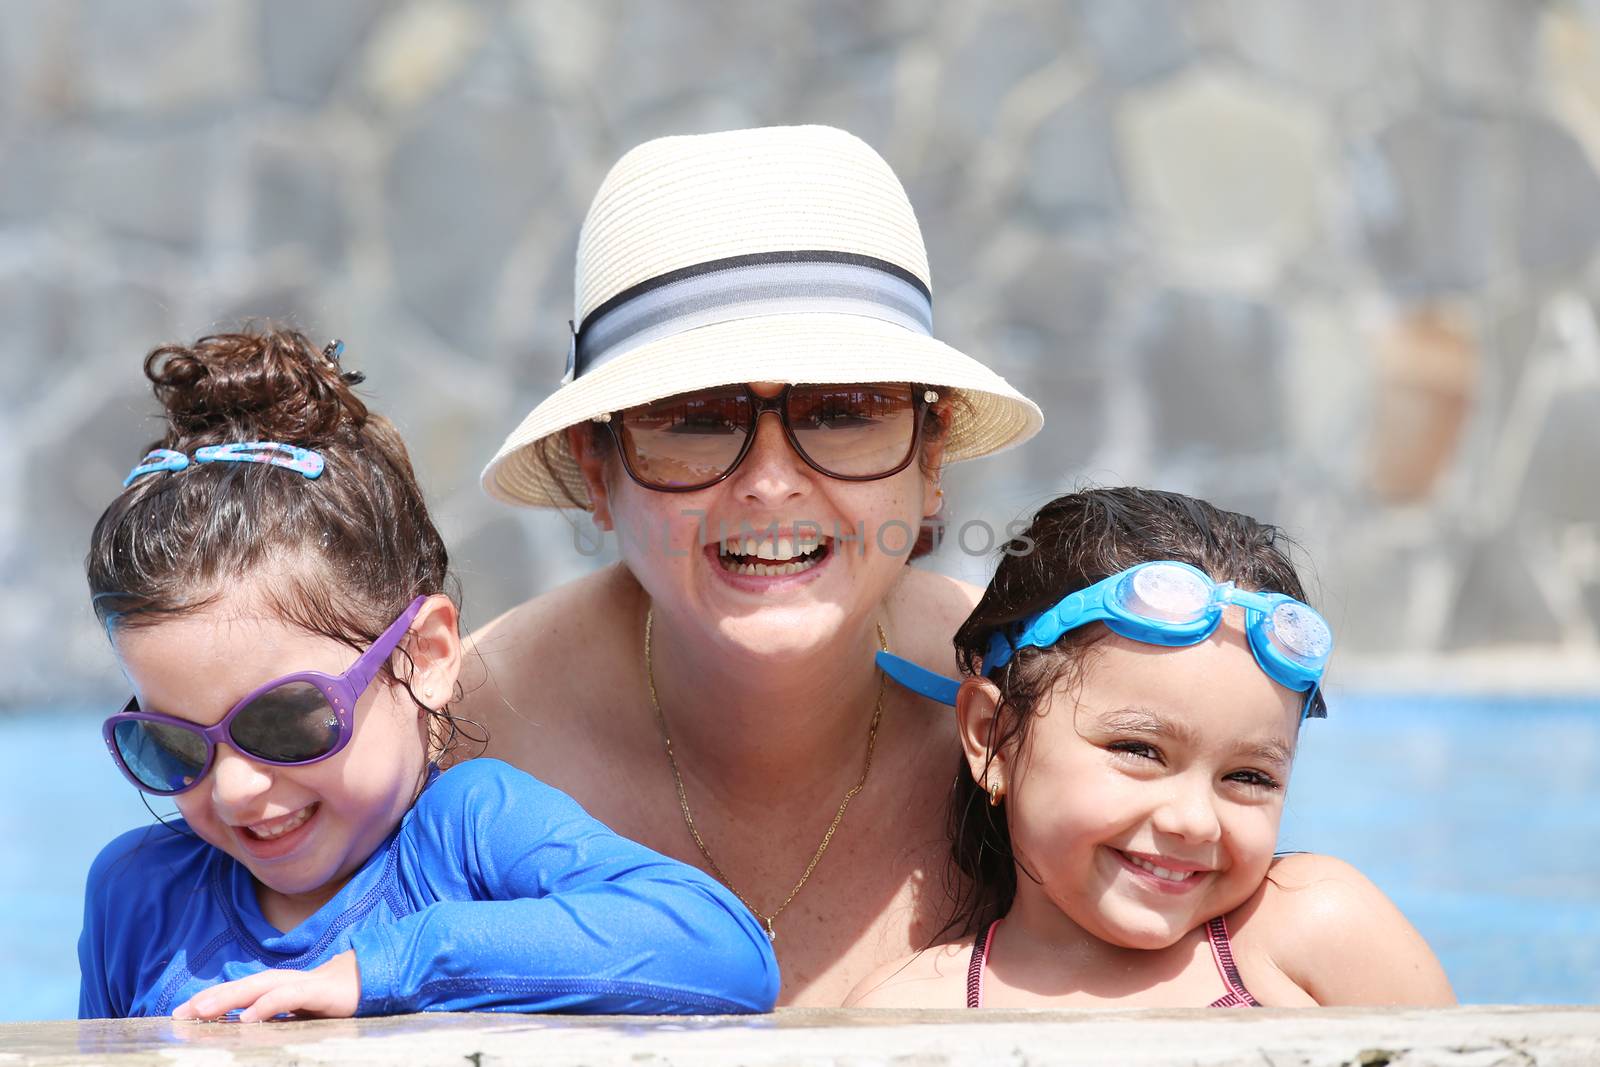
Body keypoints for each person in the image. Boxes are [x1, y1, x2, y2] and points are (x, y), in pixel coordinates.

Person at [466, 124, 1043, 1004]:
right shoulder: (464, 731)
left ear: (932, 461)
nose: (771, 484)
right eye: (695, 418)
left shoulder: (1042, 713)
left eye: (845, 409)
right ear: (596, 468)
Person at [79, 327, 779, 1020]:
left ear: (426, 656)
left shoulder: (467, 835)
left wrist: (399, 964)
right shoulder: (138, 896)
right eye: (170, 746)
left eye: (283, 721)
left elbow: (724, 949)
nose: (233, 789)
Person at [848, 488, 1457, 1008]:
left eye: (1250, 777)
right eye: (1139, 751)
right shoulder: (913, 1011)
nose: (1194, 822)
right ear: (993, 735)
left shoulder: (1312, 932)